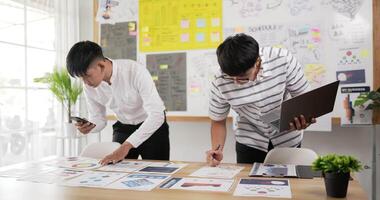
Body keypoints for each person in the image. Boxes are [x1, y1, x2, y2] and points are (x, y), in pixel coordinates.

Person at [206, 33, 316, 166]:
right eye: (231, 77)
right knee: (247, 185)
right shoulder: (220, 81)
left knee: (288, 183)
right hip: (250, 140)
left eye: (242, 77)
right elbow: (218, 121)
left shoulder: (283, 60)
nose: (236, 82)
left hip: (287, 137)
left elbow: (306, 101)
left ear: (257, 62)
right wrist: (217, 150)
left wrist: (305, 119)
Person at [66, 41, 169, 165]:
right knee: (116, 172)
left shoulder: (134, 71)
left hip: (152, 127)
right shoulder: (89, 86)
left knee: (159, 173)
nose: (85, 82)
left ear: (101, 66)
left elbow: (157, 115)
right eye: (81, 78)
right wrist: (89, 127)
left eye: (87, 76)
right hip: (124, 127)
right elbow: (99, 120)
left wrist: (126, 146)